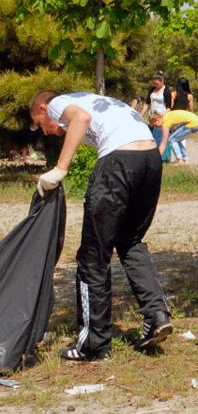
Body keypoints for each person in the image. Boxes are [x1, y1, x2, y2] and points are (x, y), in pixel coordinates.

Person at [29, 90, 172, 361]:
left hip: (119, 162)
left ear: (44, 107)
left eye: (39, 123)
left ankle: (93, 343)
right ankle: (157, 315)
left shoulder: (59, 104)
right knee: (129, 241)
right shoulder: (97, 101)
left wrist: (60, 169)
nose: (44, 131)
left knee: (92, 256)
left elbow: (80, 119)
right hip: (150, 160)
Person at [167, 78, 194, 162]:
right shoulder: (189, 96)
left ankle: (178, 157)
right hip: (184, 117)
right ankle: (184, 157)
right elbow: (191, 108)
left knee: (173, 137)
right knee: (182, 138)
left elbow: (171, 106)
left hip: (175, 118)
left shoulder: (173, 94)